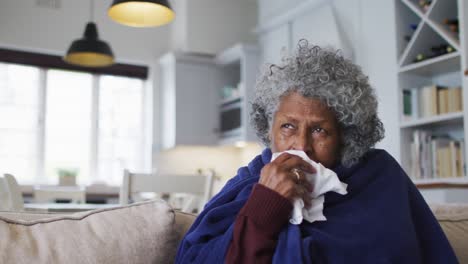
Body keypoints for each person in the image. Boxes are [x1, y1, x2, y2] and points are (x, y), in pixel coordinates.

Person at [175, 40, 457, 263]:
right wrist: (265, 204)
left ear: (346, 136)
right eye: (287, 126)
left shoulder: (379, 176)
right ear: (269, 128)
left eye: (319, 130)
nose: (301, 145)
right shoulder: (248, 183)